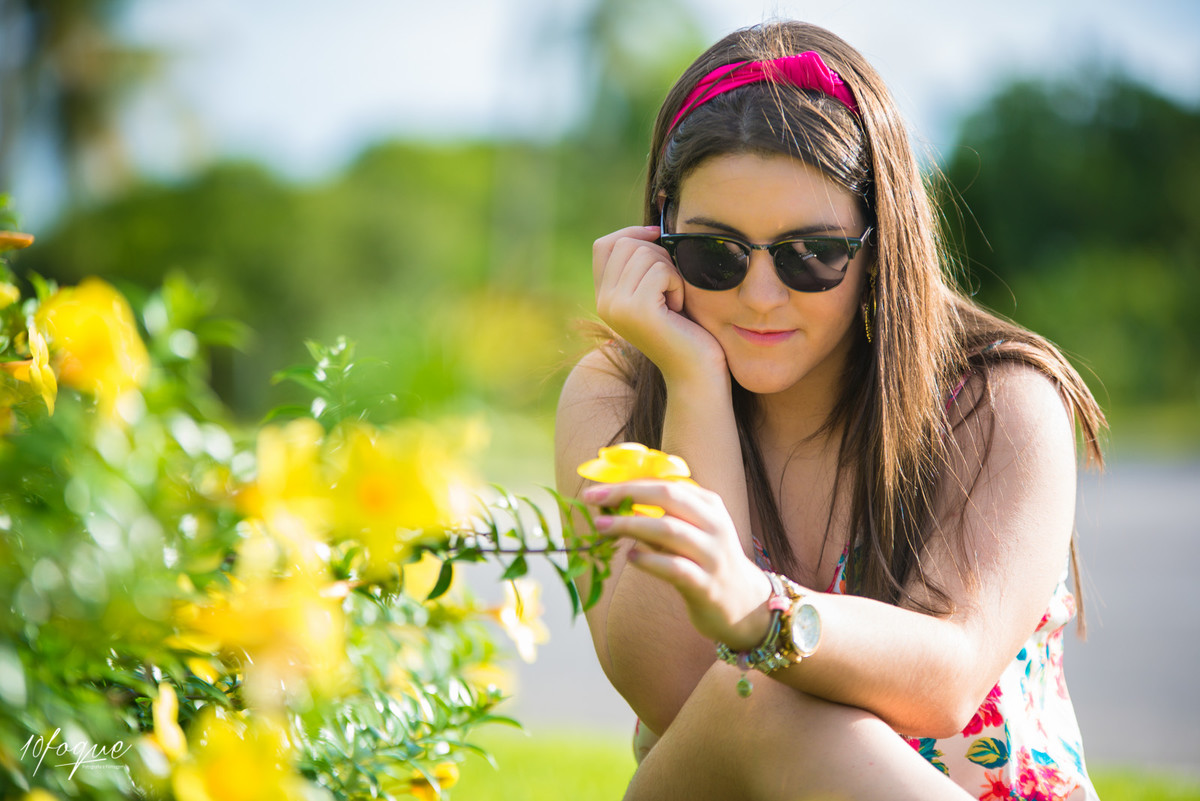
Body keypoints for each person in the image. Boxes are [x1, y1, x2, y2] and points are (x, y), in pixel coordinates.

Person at [554, 19, 1106, 801]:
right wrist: (694, 378)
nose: (759, 296)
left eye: (811, 253)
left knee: (752, 697)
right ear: (662, 227)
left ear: (881, 246)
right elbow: (675, 693)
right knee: (739, 702)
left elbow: (947, 677)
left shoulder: (1000, 399)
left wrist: (757, 612)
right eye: (714, 252)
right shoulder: (615, 393)